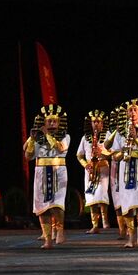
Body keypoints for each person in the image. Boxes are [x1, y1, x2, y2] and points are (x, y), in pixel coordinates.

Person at [109, 99, 138, 248]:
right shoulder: (121, 133)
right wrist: (122, 152)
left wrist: (136, 139)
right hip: (125, 167)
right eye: (130, 110)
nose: (132, 113)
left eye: (136, 110)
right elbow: (113, 154)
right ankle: (130, 236)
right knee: (126, 202)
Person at [24, 105, 70, 248]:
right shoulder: (38, 137)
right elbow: (27, 156)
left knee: (57, 204)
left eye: (53, 121)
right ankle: (48, 239)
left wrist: (48, 135)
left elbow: (60, 148)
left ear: (58, 122)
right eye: (48, 121)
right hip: (41, 172)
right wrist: (32, 139)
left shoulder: (65, 136)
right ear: (44, 123)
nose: (51, 124)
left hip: (58, 171)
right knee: (42, 206)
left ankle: (60, 230)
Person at [77, 110, 113, 235]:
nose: (96, 124)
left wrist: (102, 153)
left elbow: (113, 152)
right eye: (94, 122)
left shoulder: (108, 135)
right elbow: (79, 155)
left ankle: (105, 220)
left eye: (98, 122)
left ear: (102, 123)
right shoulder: (85, 138)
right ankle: (94, 224)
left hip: (103, 168)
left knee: (101, 194)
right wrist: (85, 164)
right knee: (90, 196)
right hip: (90, 170)